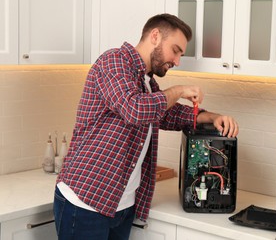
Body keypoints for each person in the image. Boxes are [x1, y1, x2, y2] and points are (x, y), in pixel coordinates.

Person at [53, 13, 239, 240]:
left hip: (122, 204)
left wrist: (210, 116)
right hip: (86, 201)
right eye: (176, 50)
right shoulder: (114, 62)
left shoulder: (146, 82)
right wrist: (179, 90)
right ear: (155, 36)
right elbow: (135, 109)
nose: (177, 61)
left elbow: (165, 115)